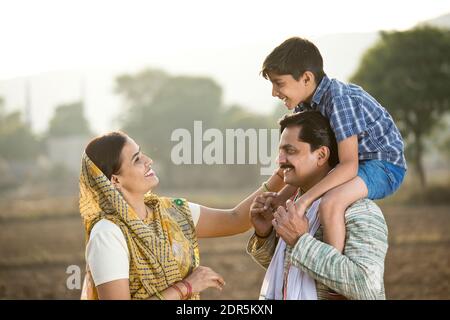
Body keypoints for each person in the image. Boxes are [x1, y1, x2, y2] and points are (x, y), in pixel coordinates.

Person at [79, 131, 284, 300]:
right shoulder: (107, 234)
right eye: (137, 159)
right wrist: (187, 286)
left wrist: (283, 175)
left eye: (142, 154)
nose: (148, 161)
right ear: (114, 180)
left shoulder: (172, 211)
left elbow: (235, 219)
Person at [260, 37, 406, 253]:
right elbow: (305, 166)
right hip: (355, 163)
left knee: (330, 203)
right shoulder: (304, 107)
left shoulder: (338, 100)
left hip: (382, 164)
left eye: (279, 83)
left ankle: (331, 271)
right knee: (309, 195)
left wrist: (305, 200)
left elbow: (349, 165)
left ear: (307, 78)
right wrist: (281, 197)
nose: (274, 92)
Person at [248, 111, 389, 300]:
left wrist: (300, 241)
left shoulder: (360, 211)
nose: (279, 160)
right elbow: (293, 273)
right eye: (280, 151)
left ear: (321, 155)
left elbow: (366, 286)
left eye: (290, 151)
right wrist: (265, 234)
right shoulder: (296, 206)